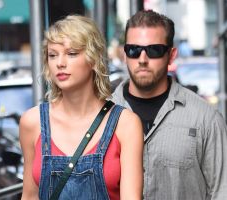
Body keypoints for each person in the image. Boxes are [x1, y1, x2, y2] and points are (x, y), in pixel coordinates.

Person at [19, 15, 143, 200]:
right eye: (52, 55)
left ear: (93, 59)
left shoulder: (125, 124)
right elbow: (29, 196)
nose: (60, 63)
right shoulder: (32, 122)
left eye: (71, 53)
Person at [112, 10, 227, 200]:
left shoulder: (206, 119)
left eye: (154, 50)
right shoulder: (101, 115)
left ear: (171, 55)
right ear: (125, 54)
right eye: (133, 50)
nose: (142, 59)